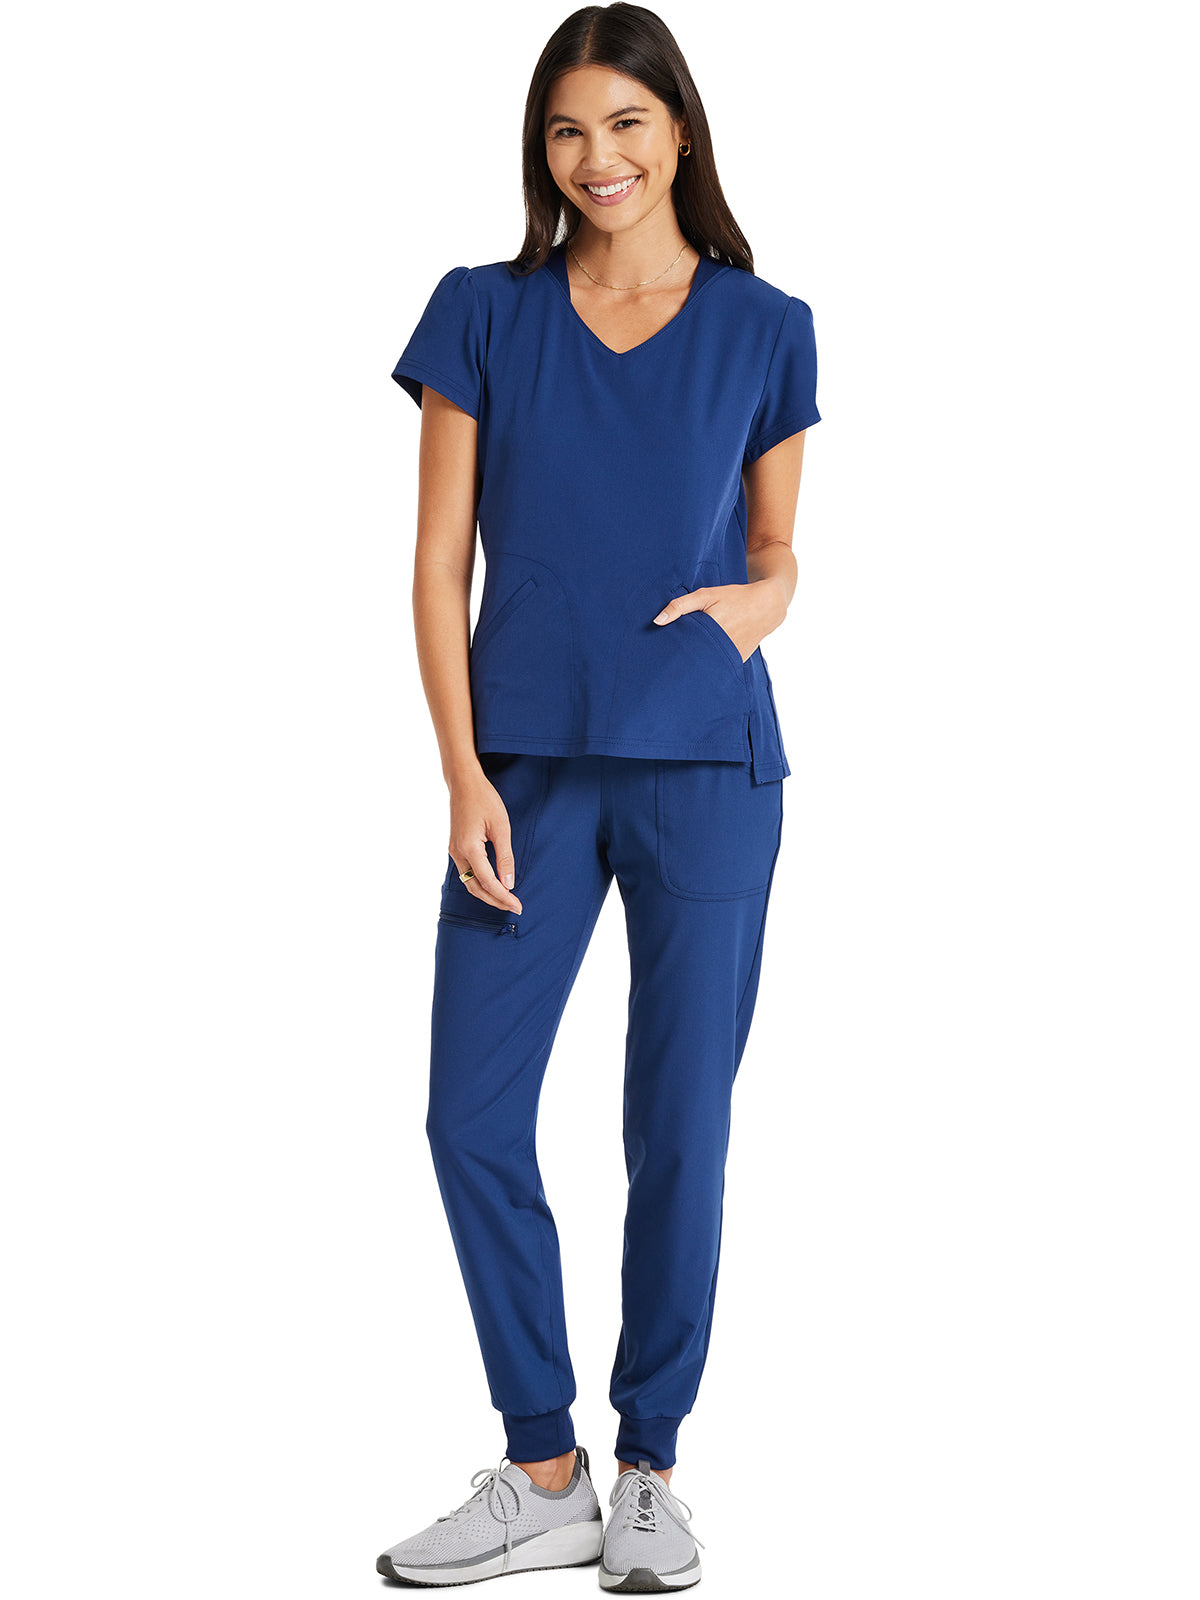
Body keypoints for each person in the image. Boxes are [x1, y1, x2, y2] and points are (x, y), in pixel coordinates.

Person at [377, 6, 820, 1590]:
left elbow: (777, 553)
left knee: (678, 1129)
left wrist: (758, 608)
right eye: (567, 130)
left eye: (626, 123)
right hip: (525, 770)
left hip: (709, 764)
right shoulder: (482, 312)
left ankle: (649, 1473)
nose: (597, 157)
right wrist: (460, 774)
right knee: (469, 1116)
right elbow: (438, 563)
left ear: (679, 132)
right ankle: (543, 1465)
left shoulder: (767, 325)